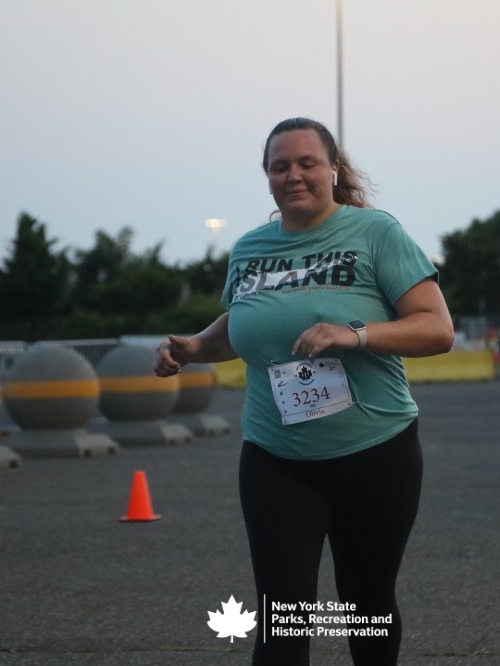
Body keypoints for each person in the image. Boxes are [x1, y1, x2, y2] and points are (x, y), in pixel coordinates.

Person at [154, 117, 454, 665]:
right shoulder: (249, 248)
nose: (293, 175)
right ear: (267, 176)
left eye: (307, 163)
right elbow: (243, 323)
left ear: (333, 169)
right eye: (279, 166)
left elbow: (437, 329)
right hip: (276, 458)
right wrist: (194, 346)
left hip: (375, 453)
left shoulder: (376, 233)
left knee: (366, 606)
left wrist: (354, 334)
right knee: (283, 618)